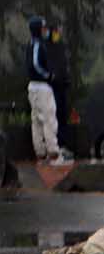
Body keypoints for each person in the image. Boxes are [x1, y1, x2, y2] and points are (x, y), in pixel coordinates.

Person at [24, 15, 67, 165]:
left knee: (36, 120)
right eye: (43, 27)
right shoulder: (37, 44)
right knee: (49, 118)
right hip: (41, 86)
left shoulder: (30, 43)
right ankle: (54, 154)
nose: (45, 30)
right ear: (38, 29)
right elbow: (35, 64)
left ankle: (41, 153)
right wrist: (49, 76)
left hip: (32, 86)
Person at [47, 22, 74, 158]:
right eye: (57, 30)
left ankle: (63, 144)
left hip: (62, 85)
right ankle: (57, 145)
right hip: (53, 86)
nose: (59, 33)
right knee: (55, 115)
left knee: (62, 116)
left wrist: (66, 79)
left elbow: (64, 64)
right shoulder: (47, 47)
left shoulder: (60, 47)